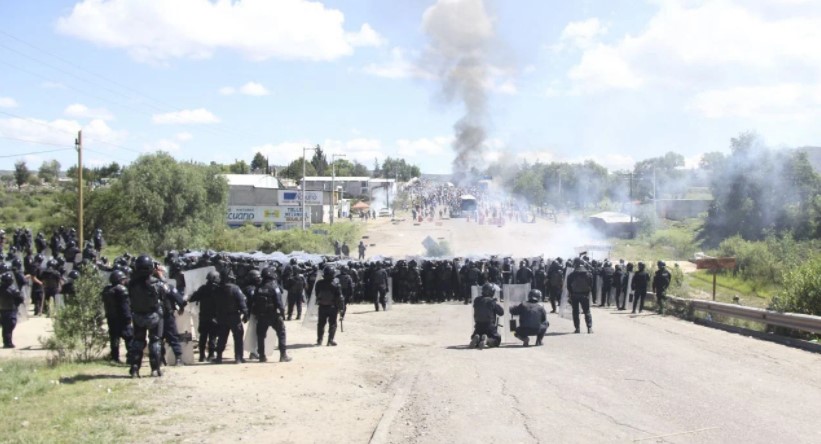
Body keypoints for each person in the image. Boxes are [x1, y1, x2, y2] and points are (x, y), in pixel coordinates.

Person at [127, 255, 168, 378]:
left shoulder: (131, 284)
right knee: (155, 341)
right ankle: (155, 369)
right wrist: (161, 276)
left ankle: (134, 369)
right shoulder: (157, 283)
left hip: (138, 315)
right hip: (154, 315)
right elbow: (166, 291)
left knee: (138, 342)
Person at [251, 267, 291, 362]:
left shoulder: (258, 287)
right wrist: (282, 313)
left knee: (261, 336)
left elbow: (254, 302)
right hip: (273, 315)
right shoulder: (274, 286)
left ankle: (262, 356)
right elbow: (279, 302)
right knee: (281, 333)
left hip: (261, 316)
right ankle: (283, 355)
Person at [214, 268, 249, 364]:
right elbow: (242, 302)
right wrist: (245, 313)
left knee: (222, 338)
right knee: (238, 338)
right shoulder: (235, 288)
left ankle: (219, 357)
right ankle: (238, 358)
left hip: (221, 317)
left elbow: (214, 303)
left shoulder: (217, 289)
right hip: (234, 317)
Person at [156, 266, 187, 366]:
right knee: (173, 336)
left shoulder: (149, 286)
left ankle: (160, 359)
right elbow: (180, 300)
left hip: (155, 316)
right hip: (167, 315)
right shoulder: (168, 287)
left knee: (157, 338)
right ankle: (178, 359)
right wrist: (182, 307)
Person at [188, 270, 220, 362]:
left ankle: (202, 355)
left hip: (204, 317)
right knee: (212, 337)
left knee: (203, 336)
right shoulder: (218, 289)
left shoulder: (203, 288)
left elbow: (193, 298)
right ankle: (211, 354)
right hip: (214, 317)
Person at [101, 270, 133, 363]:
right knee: (129, 337)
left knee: (114, 338)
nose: (124, 281)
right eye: (123, 279)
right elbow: (125, 306)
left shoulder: (107, 290)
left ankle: (114, 357)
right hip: (122, 318)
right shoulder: (121, 289)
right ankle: (131, 358)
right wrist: (128, 317)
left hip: (111, 318)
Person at [315, 266, 346, 346]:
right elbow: (340, 297)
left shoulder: (319, 283)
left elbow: (317, 294)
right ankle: (330, 340)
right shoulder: (336, 284)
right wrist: (341, 308)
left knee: (321, 324)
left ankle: (319, 340)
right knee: (332, 324)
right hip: (332, 307)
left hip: (322, 306)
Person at [469, 283, 503, 349]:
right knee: (497, 340)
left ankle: (477, 338)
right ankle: (487, 340)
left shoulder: (477, 300)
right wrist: (496, 303)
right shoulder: (491, 301)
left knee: (478, 335)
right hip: (489, 326)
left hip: (478, 326)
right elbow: (501, 312)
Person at [566, 258, 593, 334]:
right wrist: (587, 292)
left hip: (575, 295)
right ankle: (589, 328)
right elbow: (591, 285)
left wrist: (571, 294)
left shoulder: (571, 275)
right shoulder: (588, 274)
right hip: (585, 295)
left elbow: (568, 286)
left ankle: (577, 328)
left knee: (575, 312)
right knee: (587, 311)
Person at [0, 266, 24, 348]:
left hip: (9, 310)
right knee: (8, 326)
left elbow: (20, 299)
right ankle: (7, 343)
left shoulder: (13, 289)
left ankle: (7, 342)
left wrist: (16, 304)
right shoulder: (7, 289)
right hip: (5, 310)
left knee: (8, 326)